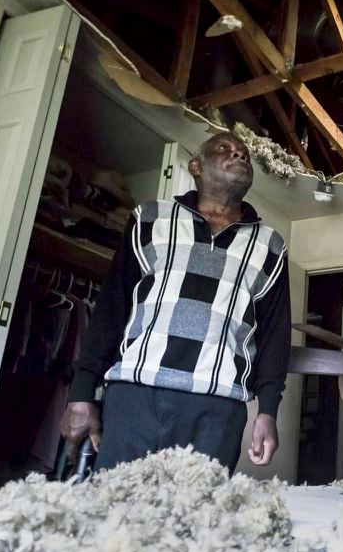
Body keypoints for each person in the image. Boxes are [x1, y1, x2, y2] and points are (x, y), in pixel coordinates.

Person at [60, 132, 290, 472]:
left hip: (218, 408)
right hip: (135, 396)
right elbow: (111, 309)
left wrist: (268, 410)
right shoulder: (150, 219)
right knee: (115, 513)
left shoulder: (270, 245)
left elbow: (274, 336)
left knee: (198, 518)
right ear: (195, 166)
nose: (239, 155)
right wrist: (81, 393)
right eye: (224, 149)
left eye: (244, 154)